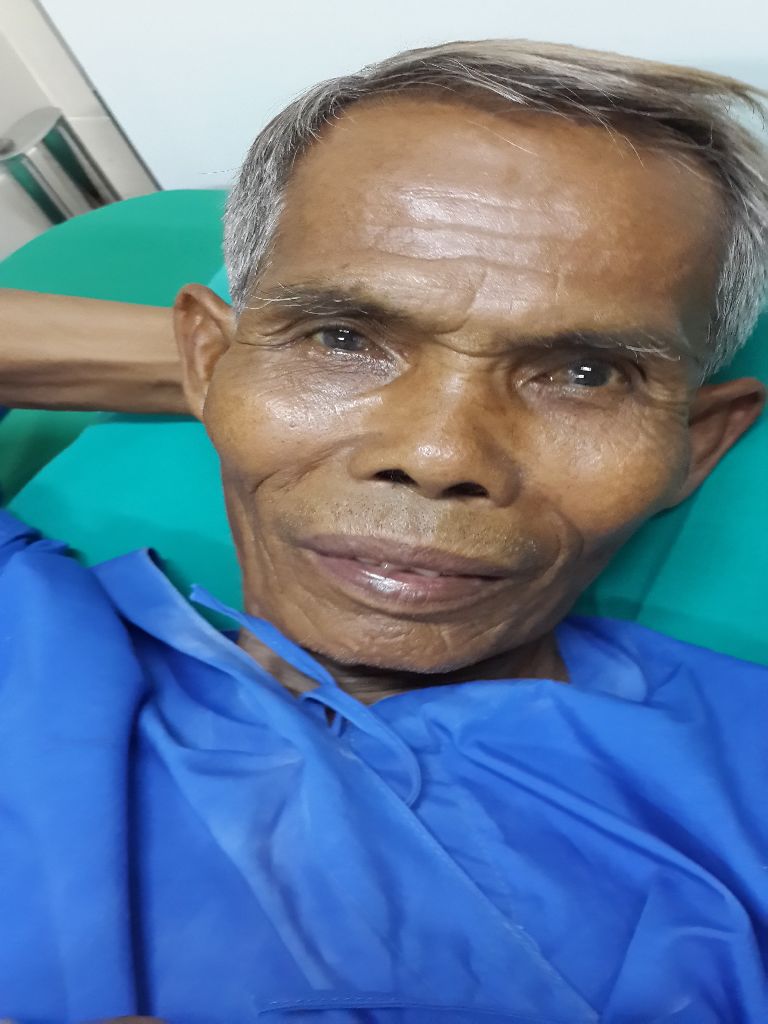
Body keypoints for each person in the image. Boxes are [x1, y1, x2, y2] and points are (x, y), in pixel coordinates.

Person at [1, 38, 767, 1024]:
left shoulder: (744, 790)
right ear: (207, 362)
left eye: (586, 373)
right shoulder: (30, 629)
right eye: (343, 336)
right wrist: (232, 368)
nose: (438, 453)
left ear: (698, 446)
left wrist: (294, 360)